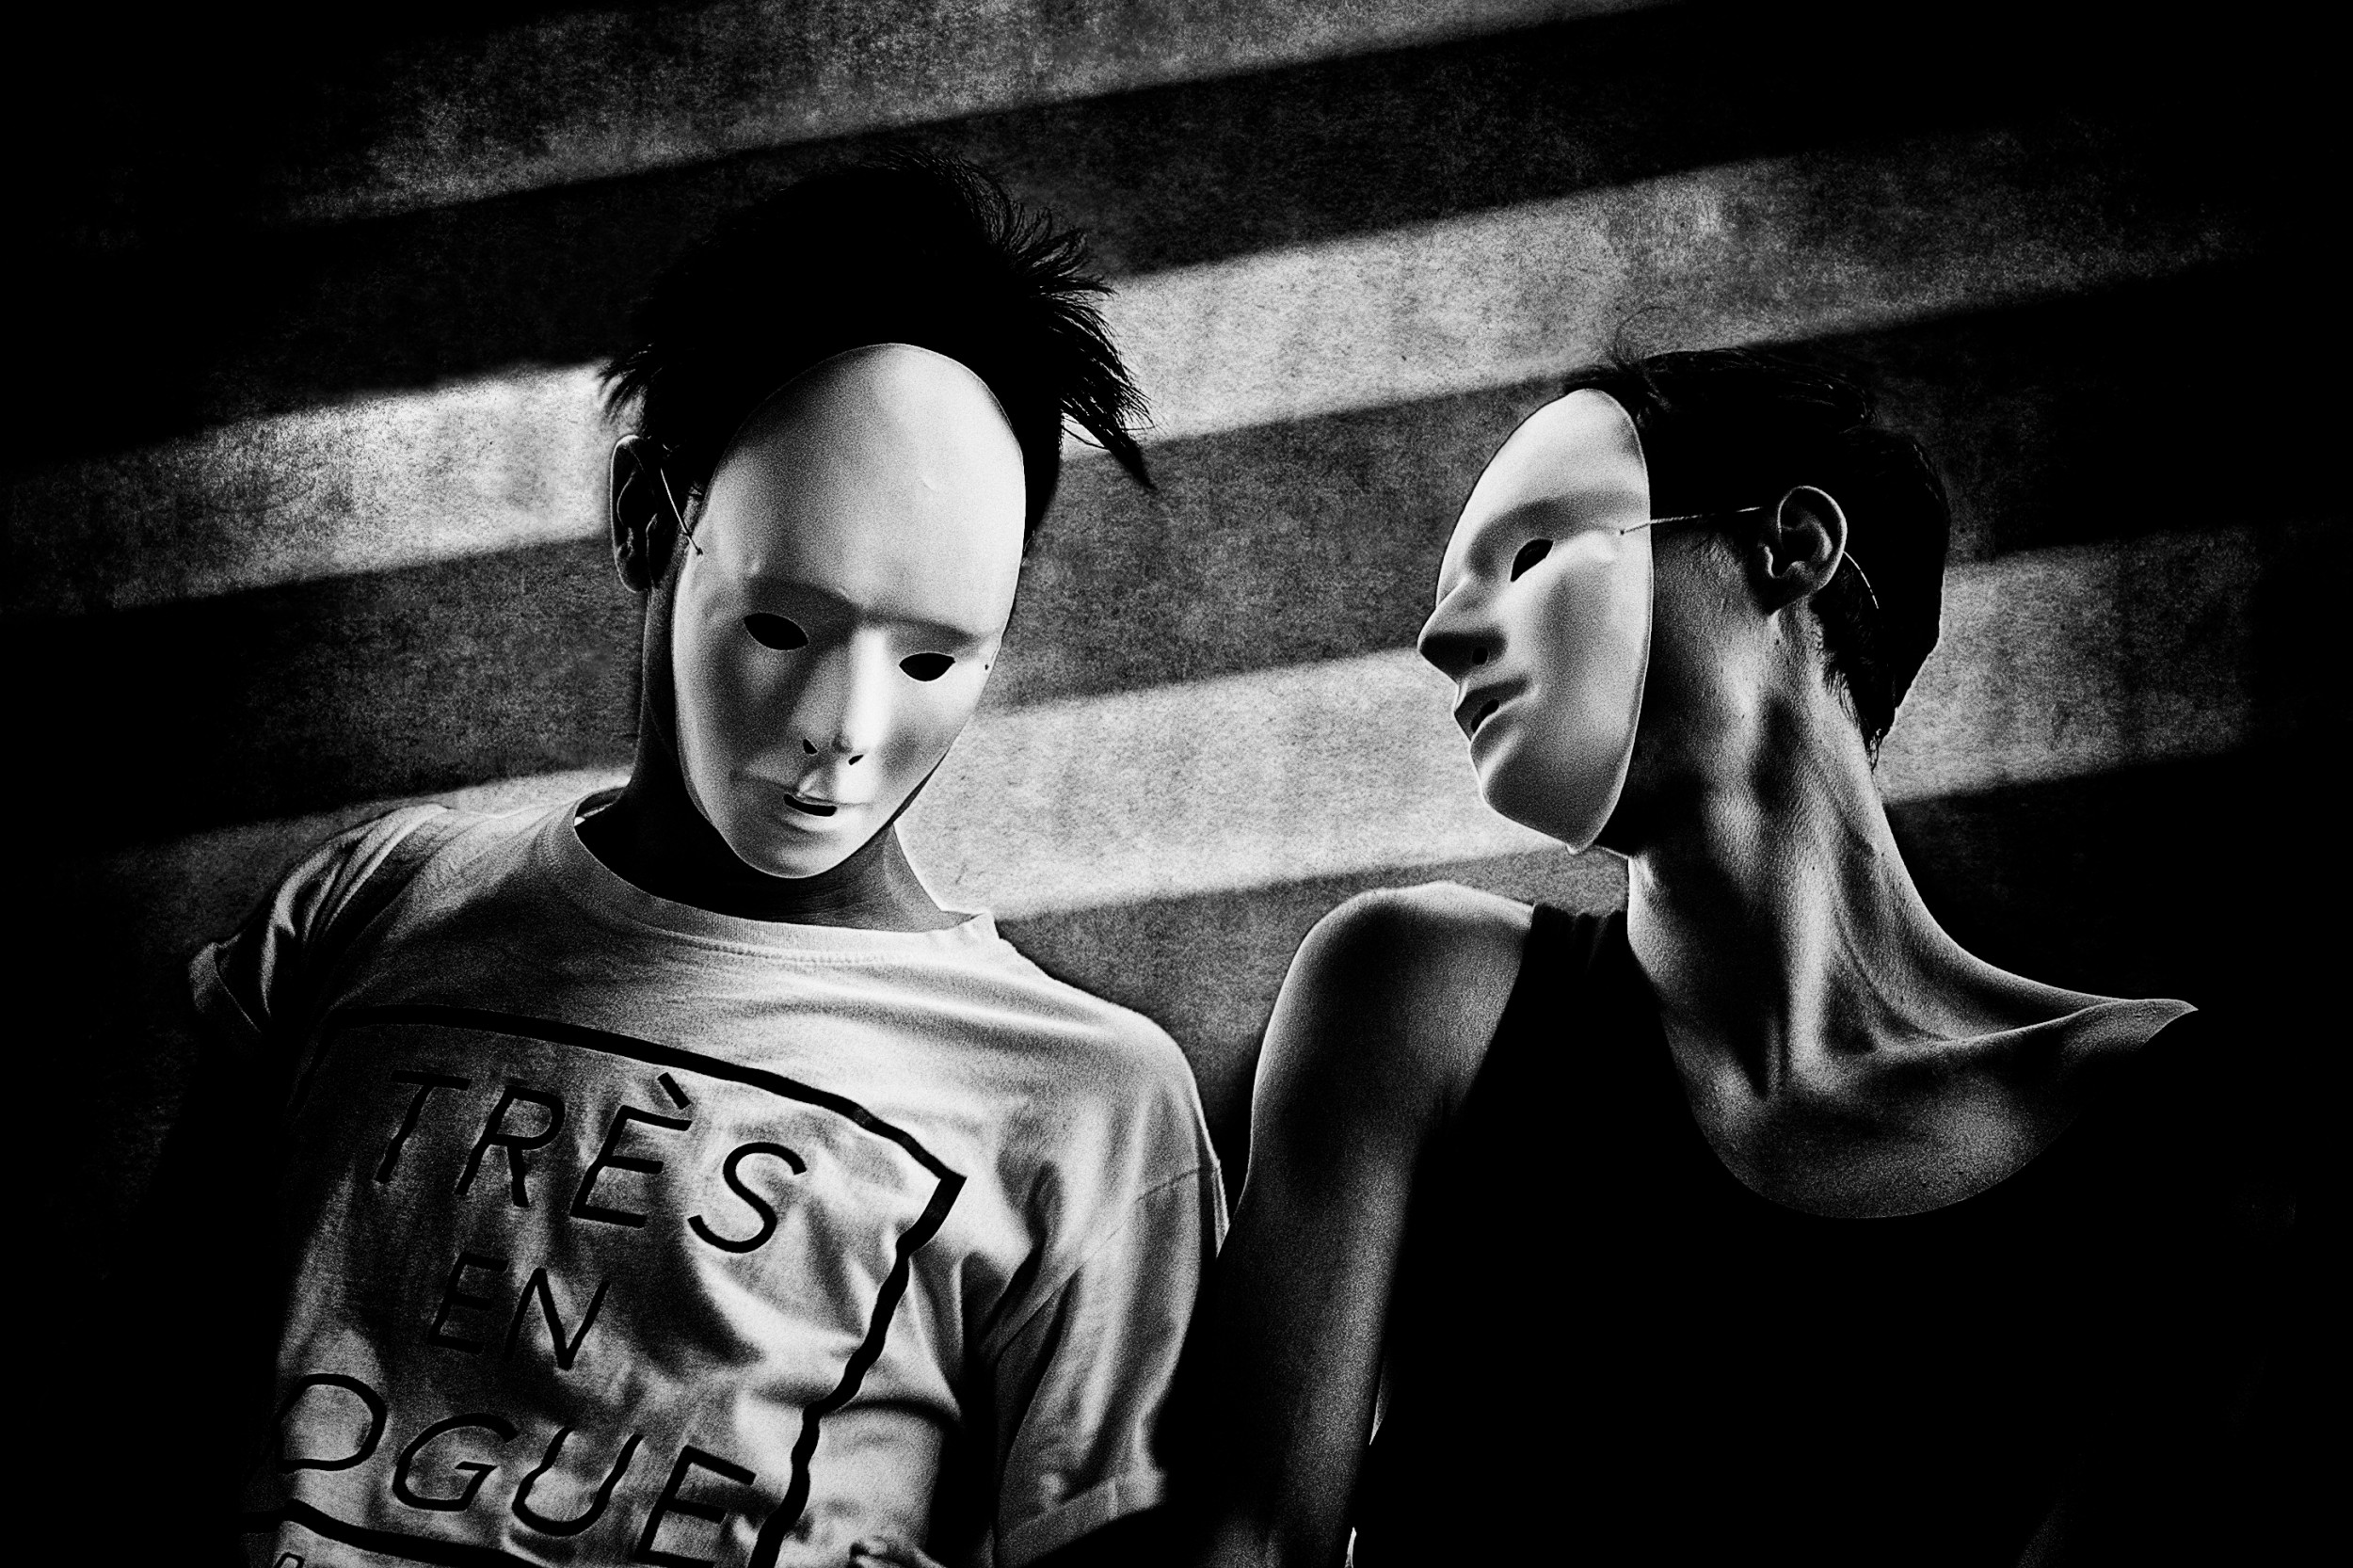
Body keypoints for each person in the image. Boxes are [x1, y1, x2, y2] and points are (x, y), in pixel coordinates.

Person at [148, 157, 1225, 1568]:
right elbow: (136, 1422)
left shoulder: (1088, 1111)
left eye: (932, 657)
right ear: (651, 521)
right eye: (782, 625)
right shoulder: (368, 912)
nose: (846, 726)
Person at [1170, 350, 2298, 1564]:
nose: (1441, 636)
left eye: (1531, 552)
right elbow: (1248, 1546)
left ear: (1791, 548)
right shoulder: (1415, 997)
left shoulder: (2175, 1119)